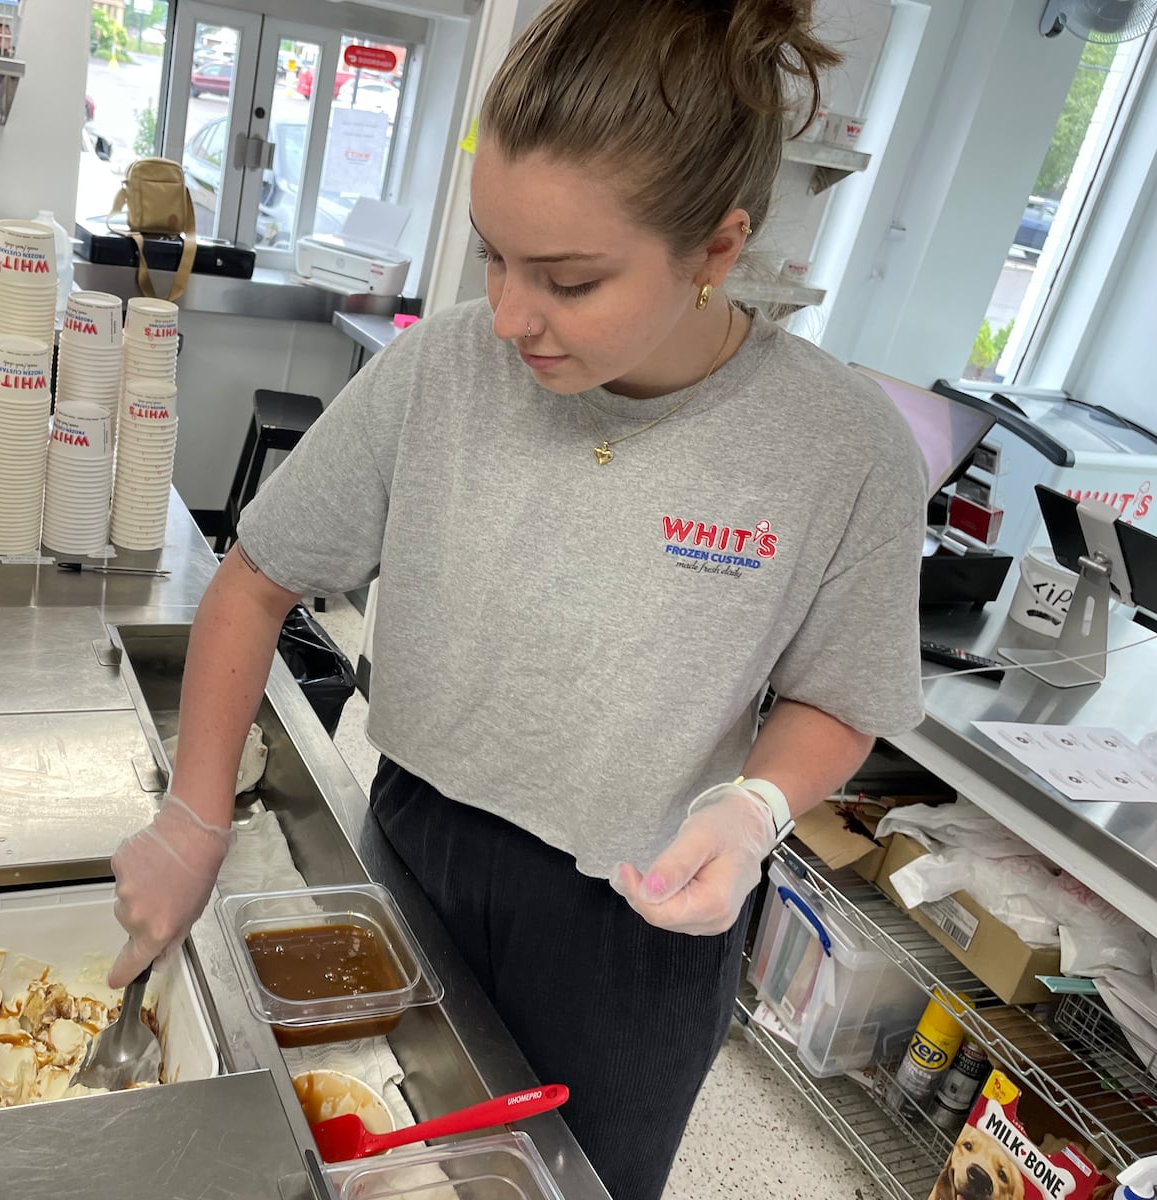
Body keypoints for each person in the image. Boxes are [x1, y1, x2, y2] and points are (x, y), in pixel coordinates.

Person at [107, 0, 927, 1193]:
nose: (508, 315)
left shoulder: (837, 447)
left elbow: (837, 699)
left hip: (633, 926)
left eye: (569, 279)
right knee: (361, 1162)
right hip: (413, 846)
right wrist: (194, 816)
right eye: (492, 253)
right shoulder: (444, 370)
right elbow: (255, 581)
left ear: (714, 248)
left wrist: (756, 807)